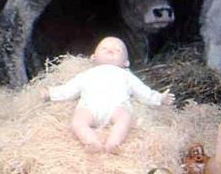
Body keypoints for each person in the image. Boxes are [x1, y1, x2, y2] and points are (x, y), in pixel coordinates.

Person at [42, 36, 176, 153]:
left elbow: (143, 91)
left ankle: (114, 143)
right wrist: (51, 93)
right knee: (78, 122)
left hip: (117, 107)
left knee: (124, 119)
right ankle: (91, 141)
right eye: (104, 48)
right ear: (93, 57)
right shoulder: (87, 74)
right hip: (89, 107)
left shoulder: (126, 75)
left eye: (117, 50)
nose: (110, 50)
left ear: (126, 62)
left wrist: (160, 98)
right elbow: (69, 89)